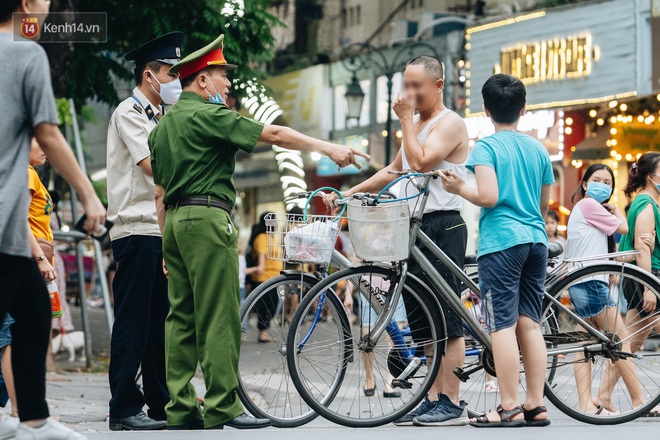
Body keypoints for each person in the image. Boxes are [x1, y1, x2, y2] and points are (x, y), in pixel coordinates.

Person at [148, 33, 367, 430]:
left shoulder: (163, 128)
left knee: (179, 317)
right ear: (202, 81)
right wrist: (329, 148)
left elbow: (160, 192)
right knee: (219, 316)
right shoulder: (209, 115)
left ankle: (179, 407)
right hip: (207, 219)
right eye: (221, 75)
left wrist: (166, 245)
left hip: (175, 225)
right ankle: (221, 406)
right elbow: (276, 135)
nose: (227, 84)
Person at [327, 55, 470, 426]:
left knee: (447, 317)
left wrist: (406, 120)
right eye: (406, 85)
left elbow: (421, 163)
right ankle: (433, 396)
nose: (409, 93)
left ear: (438, 85)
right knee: (424, 319)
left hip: (443, 224)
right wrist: (348, 195)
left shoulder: (448, 122)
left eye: (416, 85)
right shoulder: (417, 125)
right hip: (412, 226)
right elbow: (393, 170)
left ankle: (452, 402)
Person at [0, 1, 106, 438]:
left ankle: (33, 419)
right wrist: (88, 195)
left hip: (11, 229)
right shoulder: (25, 53)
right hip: (5, 226)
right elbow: (48, 131)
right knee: (26, 312)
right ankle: (32, 419)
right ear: (26, 3)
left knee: (32, 309)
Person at [440, 73, 552, 427]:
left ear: (486, 109)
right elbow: (543, 205)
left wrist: (460, 188)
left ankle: (508, 406)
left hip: (502, 243)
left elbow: (487, 196)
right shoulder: (538, 148)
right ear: (524, 107)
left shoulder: (486, 148)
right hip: (536, 241)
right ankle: (535, 405)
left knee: (501, 325)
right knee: (530, 325)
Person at [106, 32, 185, 432]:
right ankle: (122, 406)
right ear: (149, 74)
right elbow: (152, 165)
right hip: (135, 228)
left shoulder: (163, 117)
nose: (176, 80)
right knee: (134, 322)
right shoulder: (129, 112)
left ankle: (160, 402)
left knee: (160, 323)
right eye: (171, 73)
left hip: (159, 229)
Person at [565, 163, 645, 414]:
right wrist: (616, 210)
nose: (603, 185)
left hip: (580, 282)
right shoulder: (588, 206)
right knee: (621, 342)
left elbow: (611, 256)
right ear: (586, 184)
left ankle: (586, 404)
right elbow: (624, 228)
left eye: (608, 182)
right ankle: (639, 401)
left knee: (585, 343)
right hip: (590, 284)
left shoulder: (584, 210)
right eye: (597, 180)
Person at [244, 213, 284, 343]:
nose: (276, 224)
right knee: (267, 306)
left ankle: (263, 331)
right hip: (264, 277)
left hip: (273, 277)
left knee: (272, 304)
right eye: (275, 221)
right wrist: (260, 266)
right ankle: (262, 333)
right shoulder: (261, 237)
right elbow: (261, 253)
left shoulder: (271, 237)